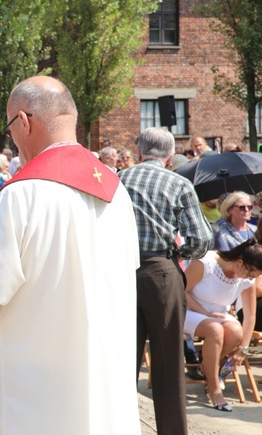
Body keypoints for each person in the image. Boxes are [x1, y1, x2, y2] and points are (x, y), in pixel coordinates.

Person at [0, 76, 141, 434]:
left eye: (10, 130)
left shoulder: (20, 197)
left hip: (36, 395)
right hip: (104, 377)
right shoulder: (117, 193)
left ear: (23, 122)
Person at [120, 127, 213, 435]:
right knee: (168, 362)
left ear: (138, 151)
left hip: (121, 272)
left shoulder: (118, 179)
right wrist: (178, 249)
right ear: (171, 156)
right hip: (161, 271)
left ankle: (117, 426)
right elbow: (202, 239)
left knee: (121, 359)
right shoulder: (178, 182)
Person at [184, 239, 261, 411]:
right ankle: (214, 388)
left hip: (218, 314)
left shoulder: (247, 278)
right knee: (215, 330)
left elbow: (249, 315)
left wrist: (244, 349)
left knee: (235, 331)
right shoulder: (206, 263)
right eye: (250, 275)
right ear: (240, 262)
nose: (250, 279)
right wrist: (204, 313)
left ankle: (209, 366)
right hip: (189, 309)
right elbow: (181, 291)